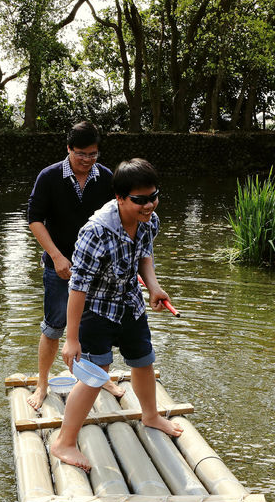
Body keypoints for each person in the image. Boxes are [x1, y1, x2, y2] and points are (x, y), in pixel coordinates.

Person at [51, 158, 182, 471]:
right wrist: (71, 339)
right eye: (140, 200)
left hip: (130, 303)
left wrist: (154, 288)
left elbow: (144, 256)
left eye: (153, 196)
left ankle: (150, 415)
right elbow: (77, 287)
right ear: (120, 198)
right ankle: (64, 442)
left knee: (143, 361)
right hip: (96, 311)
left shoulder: (149, 219)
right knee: (95, 375)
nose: (149, 205)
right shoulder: (95, 232)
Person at [26, 121, 125, 410]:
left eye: (93, 154)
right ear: (68, 148)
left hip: (97, 268)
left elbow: (117, 218)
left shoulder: (106, 177)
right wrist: (56, 256)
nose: (87, 160)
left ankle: (100, 378)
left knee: (95, 326)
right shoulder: (49, 176)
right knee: (54, 326)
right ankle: (42, 383)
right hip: (59, 265)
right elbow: (34, 219)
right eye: (81, 153)